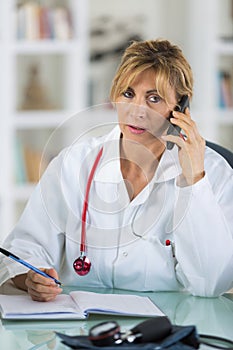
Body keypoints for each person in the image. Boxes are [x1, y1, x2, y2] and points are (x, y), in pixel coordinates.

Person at [0, 39, 232, 301]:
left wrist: (193, 181)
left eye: (154, 98)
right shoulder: (74, 163)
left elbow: (212, 284)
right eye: (128, 94)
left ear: (180, 108)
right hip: (84, 329)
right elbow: (22, 250)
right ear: (114, 96)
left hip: (167, 330)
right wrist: (31, 279)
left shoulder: (214, 173)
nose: (137, 111)